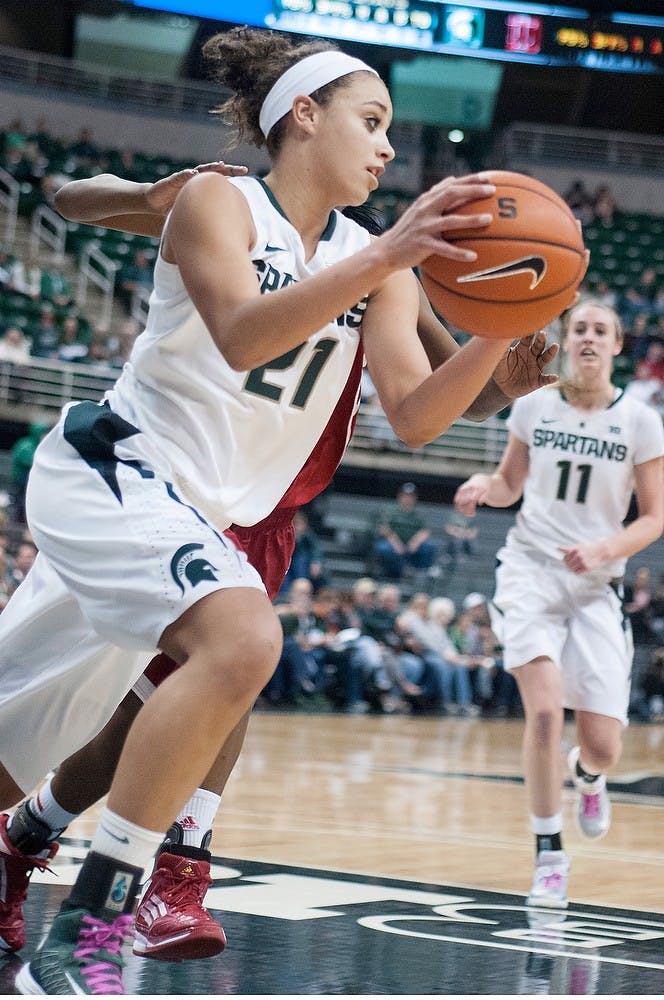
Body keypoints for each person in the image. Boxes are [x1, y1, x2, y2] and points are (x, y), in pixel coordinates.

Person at [1, 70, 562, 991]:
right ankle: (96, 933)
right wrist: (390, 257)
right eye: (371, 122)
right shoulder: (219, 202)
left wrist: (500, 333)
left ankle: (22, 856)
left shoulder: (369, 264)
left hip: (197, 517)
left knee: (20, 742)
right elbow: (241, 336)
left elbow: (417, 416)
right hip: (114, 468)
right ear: (303, 115)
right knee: (245, 637)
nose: (388, 147)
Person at [454, 300, 664, 910]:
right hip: (530, 573)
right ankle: (549, 854)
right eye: (580, 330)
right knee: (543, 714)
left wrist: (604, 548)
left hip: (597, 583)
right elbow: (511, 484)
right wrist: (483, 488)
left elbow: (653, 517)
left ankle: (590, 776)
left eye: (601, 331)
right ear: (566, 341)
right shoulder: (535, 404)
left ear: (618, 345)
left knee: (604, 746)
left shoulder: (642, 421)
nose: (589, 339)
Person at [373, 481, 436, 579]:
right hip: (393, 544)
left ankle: (420, 574)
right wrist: (395, 543)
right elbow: (384, 528)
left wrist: (415, 542)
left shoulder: (418, 514)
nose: (407, 499)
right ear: (399, 496)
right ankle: (392, 573)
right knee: (383, 548)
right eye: (405, 496)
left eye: (410, 496)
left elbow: (425, 531)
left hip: (412, 545)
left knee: (429, 547)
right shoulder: (391, 511)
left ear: (415, 498)